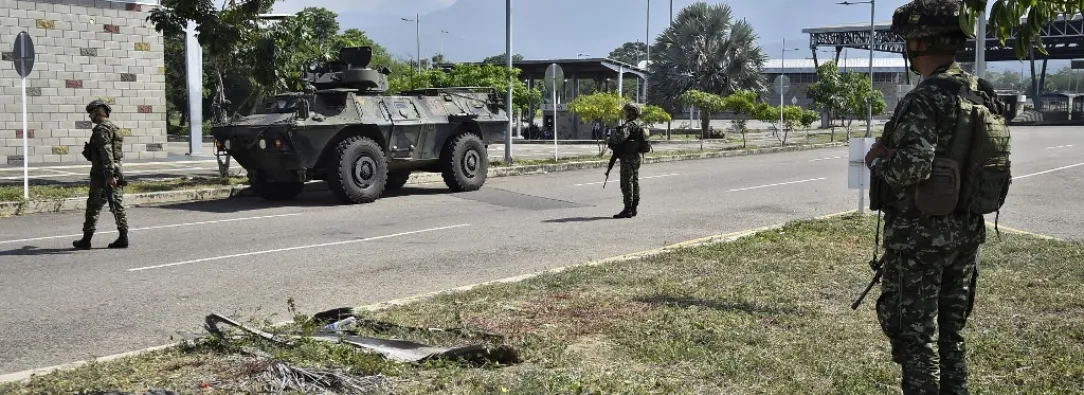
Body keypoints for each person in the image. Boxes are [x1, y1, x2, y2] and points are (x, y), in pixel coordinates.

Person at [865, 1, 1005, 393]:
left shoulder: (925, 97)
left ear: (921, 42)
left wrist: (878, 161)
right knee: (950, 333)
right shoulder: (980, 92)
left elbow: (912, 168)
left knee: (915, 338)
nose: (907, 47)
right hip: (966, 232)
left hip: (920, 240)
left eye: (909, 39)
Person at [74, 100, 129, 249]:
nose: (90, 117)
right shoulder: (114, 127)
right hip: (116, 171)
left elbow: (107, 152)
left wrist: (109, 175)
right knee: (117, 205)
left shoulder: (101, 130)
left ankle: (86, 240)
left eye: (91, 113)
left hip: (102, 174)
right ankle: (123, 237)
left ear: (98, 112)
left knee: (93, 206)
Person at [605, 103, 647, 219]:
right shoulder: (638, 124)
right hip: (636, 157)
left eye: (627, 111)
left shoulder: (629, 125)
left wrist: (613, 136)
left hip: (627, 158)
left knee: (626, 183)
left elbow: (620, 138)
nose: (625, 113)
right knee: (635, 182)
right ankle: (634, 208)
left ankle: (627, 209)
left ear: (631, 112)